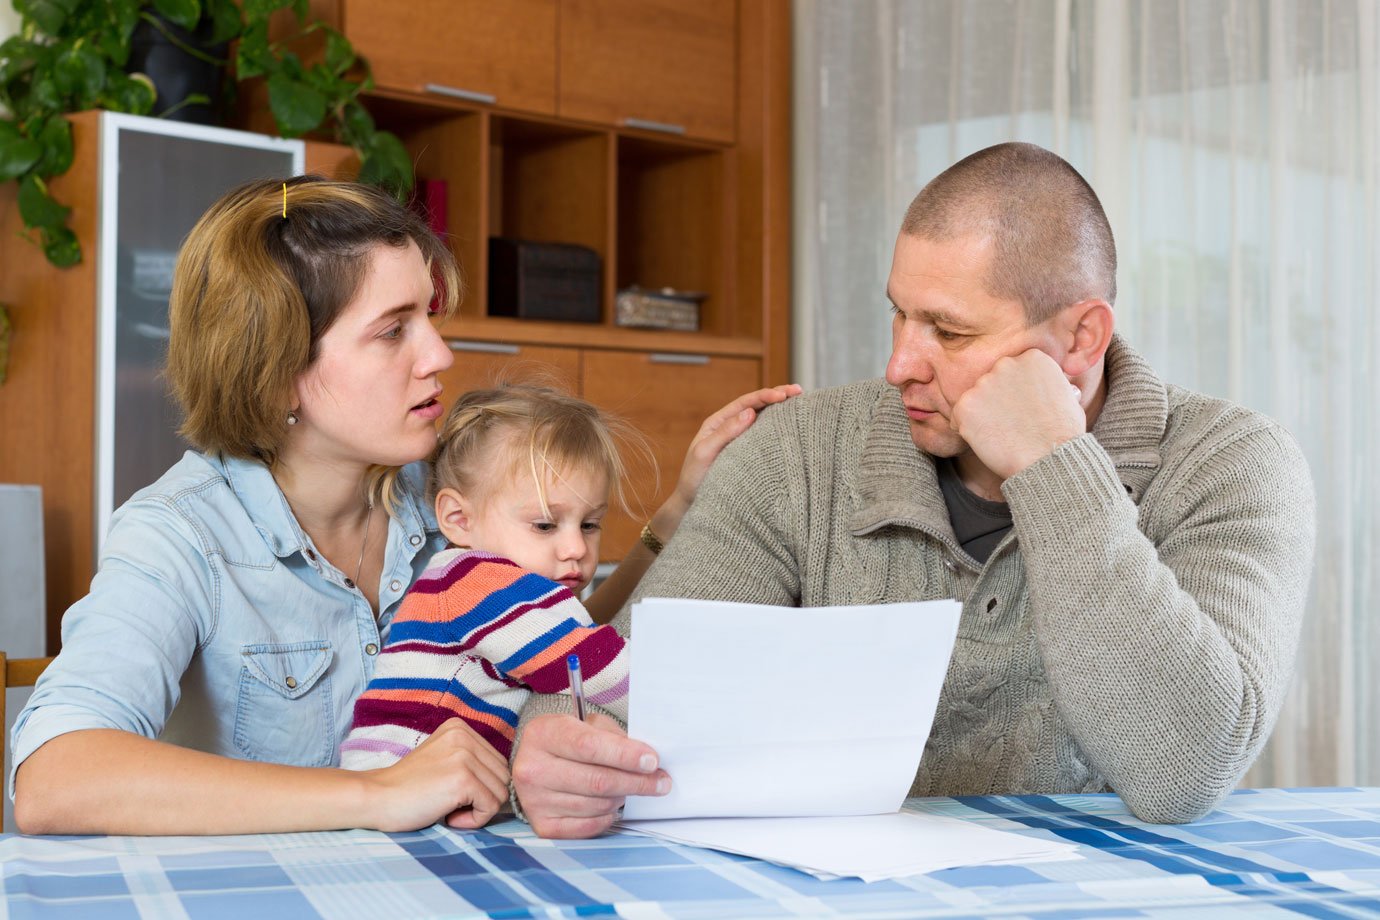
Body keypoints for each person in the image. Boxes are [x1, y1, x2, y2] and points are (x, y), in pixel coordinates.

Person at [507, 142, 1317, 837]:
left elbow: (1185, 770)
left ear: (1082, 338)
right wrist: (551, 744)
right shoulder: (797, 450)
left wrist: (1055, 467)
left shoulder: (1233, 464)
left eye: (951, 332)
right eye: (898, 315)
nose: (900, 364)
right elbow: (622, 693)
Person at [9, 175, 799, 835]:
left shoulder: (441, 492)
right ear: (280, 369)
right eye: (394, 331)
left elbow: (555, 624)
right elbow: (53, 778)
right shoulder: (178, 535)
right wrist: (377, 795)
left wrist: (673, 517)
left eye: (430, 316)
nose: (440, 356)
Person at [339, 383, 632, 770]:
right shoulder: (478, 583)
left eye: (590, 524)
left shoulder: (483, 581)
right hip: (394, 779)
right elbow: (599, 666)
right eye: (545, 525)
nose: (576, 547)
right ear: (459, 520)